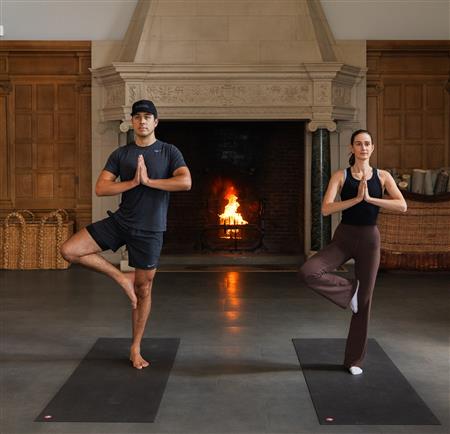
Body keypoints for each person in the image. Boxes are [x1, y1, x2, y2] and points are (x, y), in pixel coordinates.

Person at [61, 100, 191, 369]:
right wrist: (132, 182)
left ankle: (135, 347)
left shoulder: (169, 151)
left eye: (147, 117)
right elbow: (101, 188)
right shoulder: (122, 154)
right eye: (137, 117)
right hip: (121, 221)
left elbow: (185, 182)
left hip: (150, 230)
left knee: (143, 290)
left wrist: (149, 182)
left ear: (155, 122)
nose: (142, 121)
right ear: (132, 122)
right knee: (70, 250)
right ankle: (122, 278)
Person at [298, 129, 407, 375]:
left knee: (364, 305)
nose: (363, 148)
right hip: (344, 237)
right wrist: (355, 200)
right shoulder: (340, 175)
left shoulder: (382, 176)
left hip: (370, 239)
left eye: (367, 144)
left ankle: (354, 361)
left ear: (372, 148)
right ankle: (350, 291)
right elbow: (326, 209)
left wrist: (370, 199)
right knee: (308, 272)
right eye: (358, 144)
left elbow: (402, 205)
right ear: (351, 148)